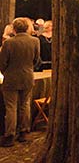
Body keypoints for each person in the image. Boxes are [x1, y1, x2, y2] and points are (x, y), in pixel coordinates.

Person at [0, 18, 40, 147]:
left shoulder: (8, 43)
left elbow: (2, 63)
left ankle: (10, 135)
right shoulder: (35, 41)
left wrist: (6, 71)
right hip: (27, 76)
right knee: (25, 105)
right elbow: (36, 60)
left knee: (11, 107)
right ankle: (24, 132)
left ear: (14, 28)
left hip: (11, 77)